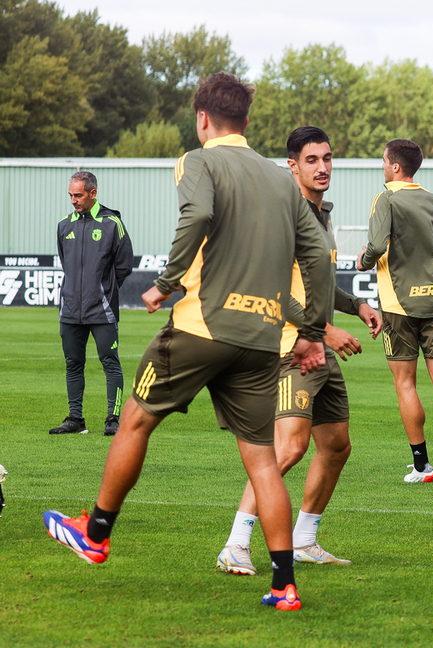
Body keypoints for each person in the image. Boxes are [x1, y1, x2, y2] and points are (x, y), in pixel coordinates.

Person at [43, 73, 332, 612]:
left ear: (203, 119)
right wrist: (312, 331)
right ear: (246, 122)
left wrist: (168, 281)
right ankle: (283, 584)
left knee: (134, 419)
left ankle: (96, 534)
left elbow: (197, 214)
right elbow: (314, 254)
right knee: (262, 460)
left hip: (202, 327)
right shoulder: (279, 179)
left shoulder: (198, 161)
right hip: (263, 338)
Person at [217, 126, 382, 576]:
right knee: (287, 449)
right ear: (292, 166)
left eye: (328, 158)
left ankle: (304, 540)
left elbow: (319, 282)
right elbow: (270, 284)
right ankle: (235, 544)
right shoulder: (280, 214)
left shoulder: (321, 215)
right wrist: (324, 330)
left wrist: (358, 304)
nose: (323, 167)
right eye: (312, 160)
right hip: (289, 349)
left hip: (318, 348)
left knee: (336, 445)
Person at [355, 139, 433, 484]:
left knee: (405, 383)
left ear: (395, 167)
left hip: (399, 305)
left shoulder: (386, 198)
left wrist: (364, 261)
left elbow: (377, 246)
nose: (382, 167)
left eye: (383, 161)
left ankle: (423, 466)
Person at [50, 171, 133, 437]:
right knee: (73, 363)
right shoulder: (64, 225)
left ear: (93, 194)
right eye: (70, 195)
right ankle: (75, 418)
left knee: (110, 361)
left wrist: (103, 291)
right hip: (71, 309)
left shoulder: (112, 223)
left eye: (78, 195)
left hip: (102, 309)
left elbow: (124, 265)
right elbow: (67, 264)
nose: (73, 200)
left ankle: (113, 418)